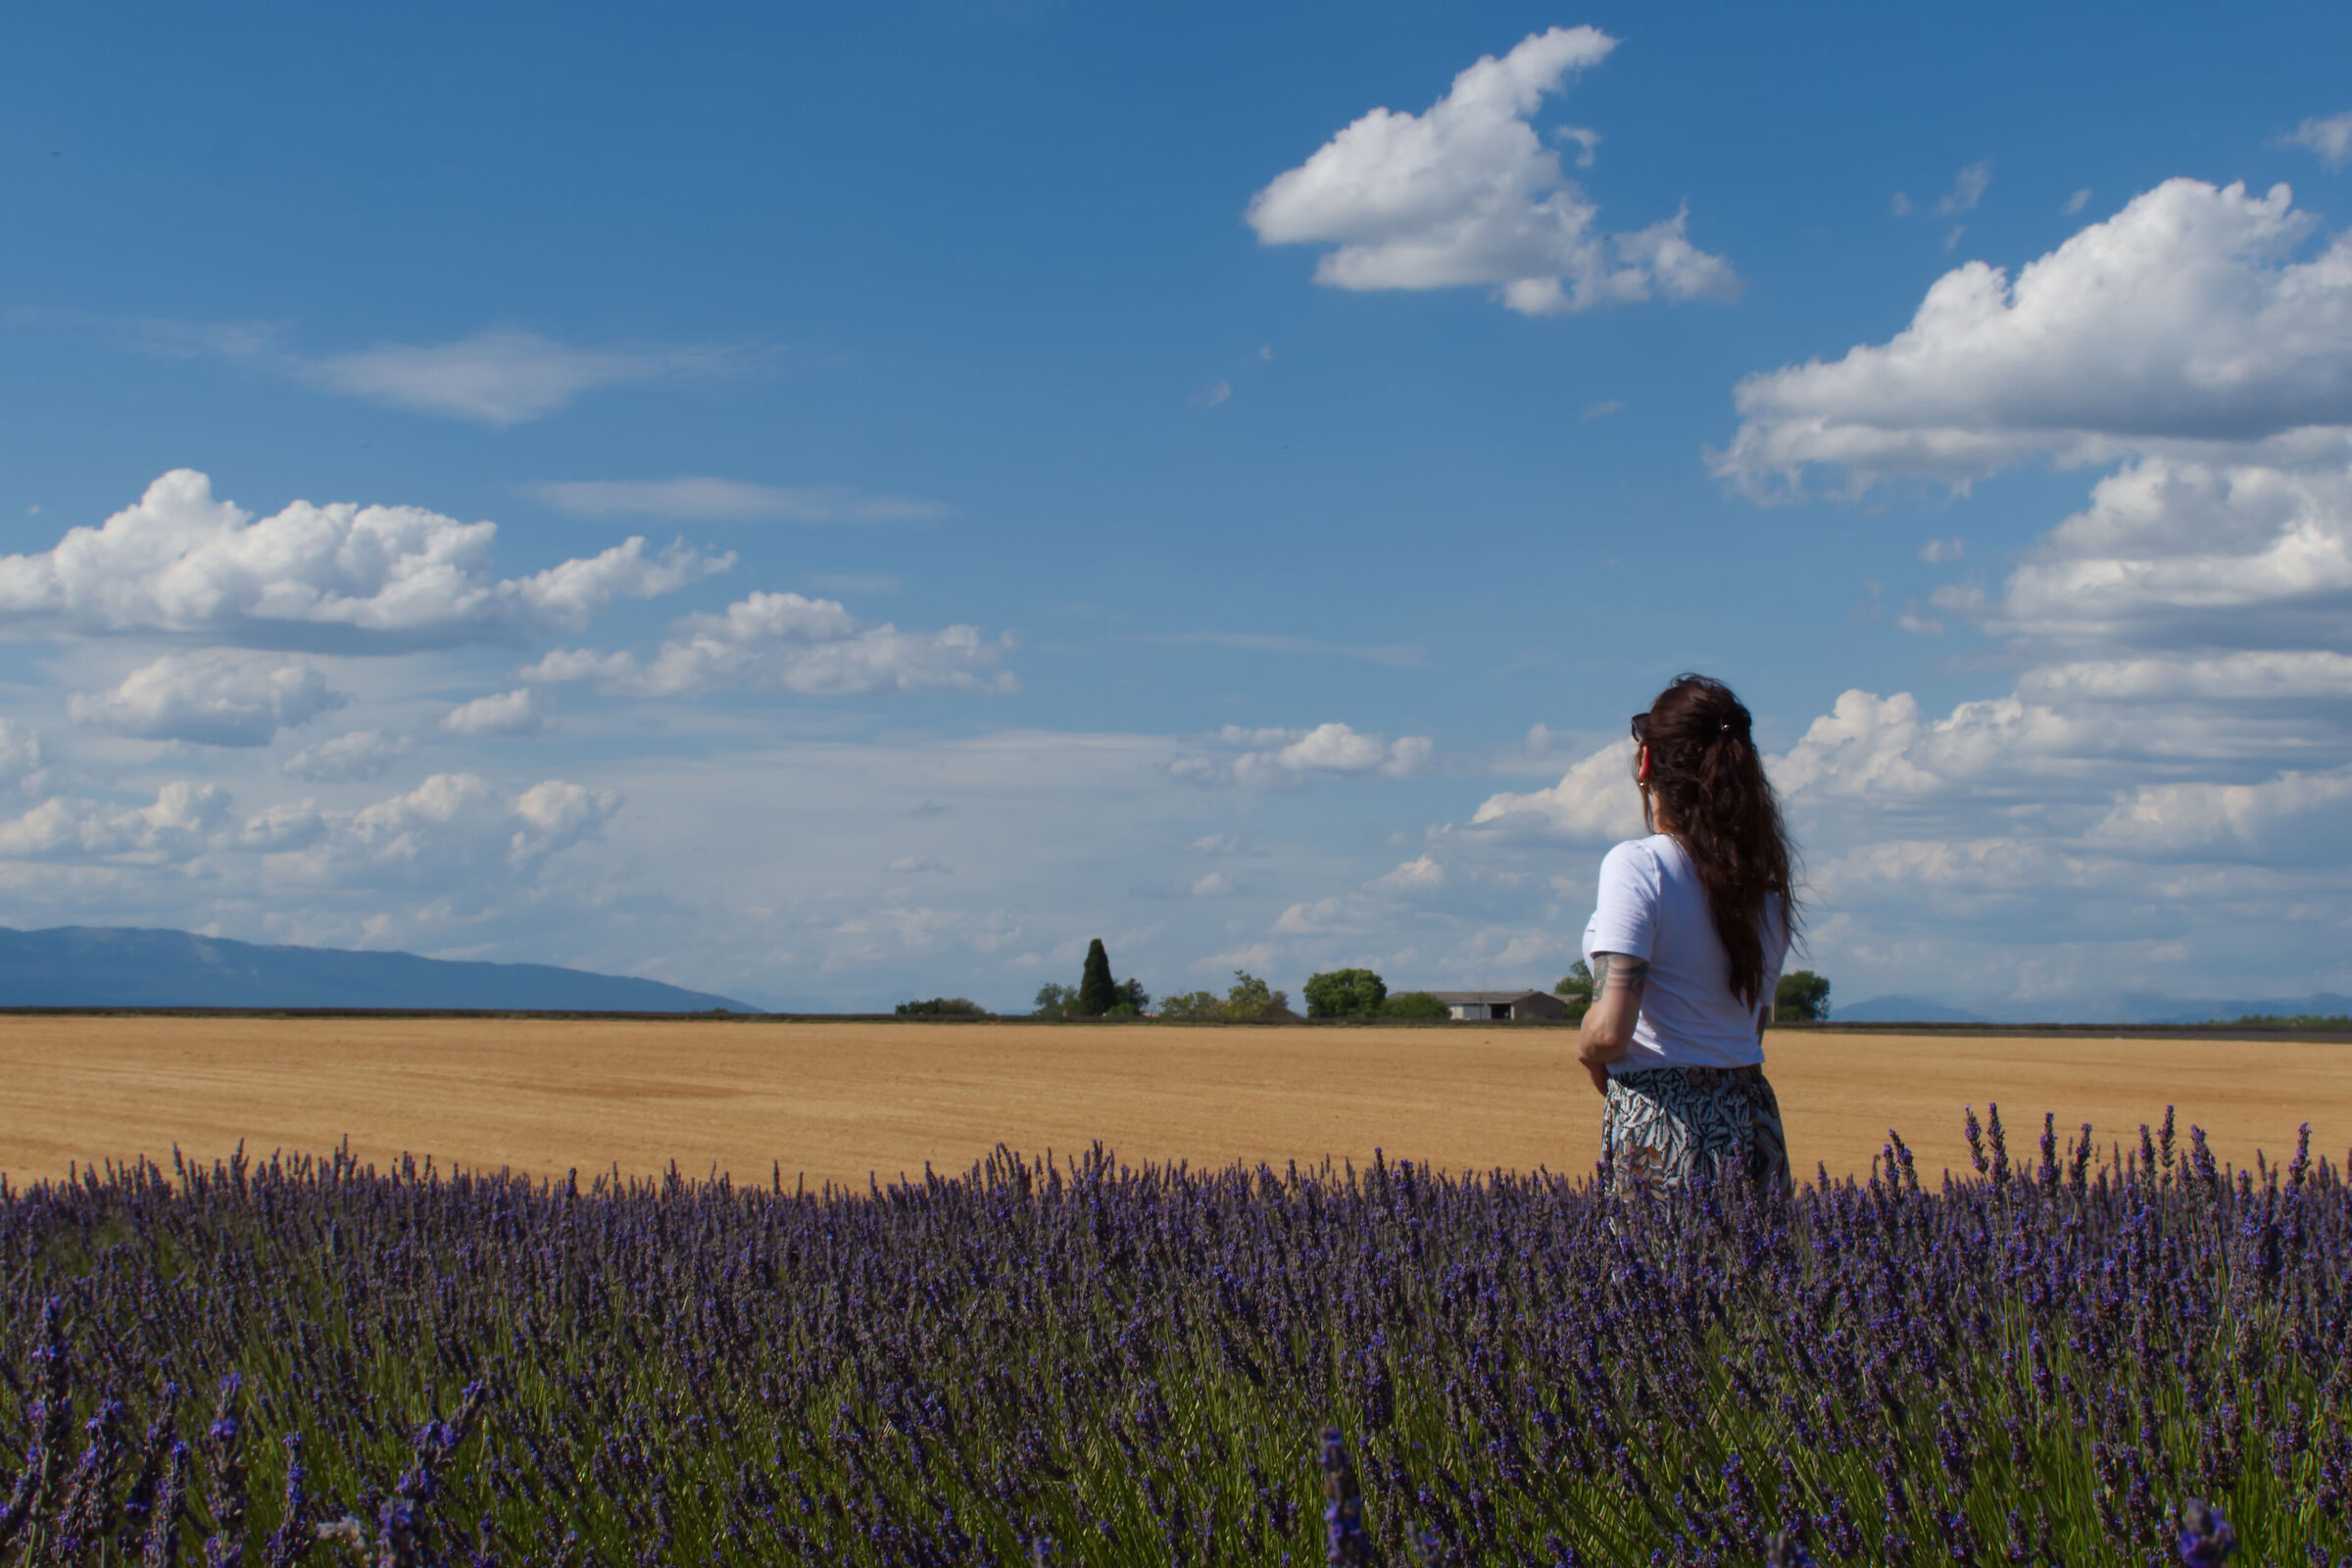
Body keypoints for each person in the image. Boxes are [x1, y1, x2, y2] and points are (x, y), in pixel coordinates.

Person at [1576, 673, 1797, 1193]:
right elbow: (1748, 1029)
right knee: (1754, 1273)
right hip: (1753, 1117)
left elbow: (1610, 1031)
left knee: (1658, 1272)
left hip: (1666, 1124)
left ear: (1646, 761)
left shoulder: (1639, 866)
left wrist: (1588, 1051)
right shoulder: (1766, 891)